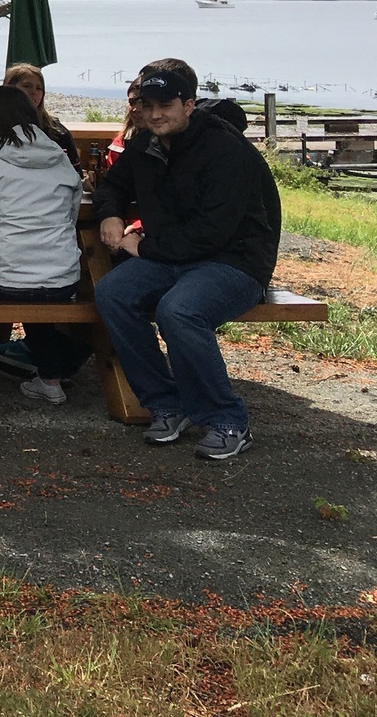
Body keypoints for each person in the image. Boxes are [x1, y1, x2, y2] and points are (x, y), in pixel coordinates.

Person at [92, 62, 281, 460]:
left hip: (235, 262)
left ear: (189, 105)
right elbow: (112, 183)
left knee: (178, 309)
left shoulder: (224, 148)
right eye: (147, 105)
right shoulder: (146, 145)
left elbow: (212, 231)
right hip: (173, 257)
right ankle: (166, 404)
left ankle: (228, 420)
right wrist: (109, 213)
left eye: (166, 104)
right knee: (112, 291)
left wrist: (142, 248)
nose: (156, 113)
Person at [0, 85, 89, 403]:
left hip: (0, 274)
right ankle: (51, 381)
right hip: (60, 278)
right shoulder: (60, 157)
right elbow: (71, 213)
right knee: (37, 295)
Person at [2, 62, 82, 172]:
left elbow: (76, 173)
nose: (34, 92)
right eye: (27, 86)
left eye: (39, 88)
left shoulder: (57, 132)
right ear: (9, 90)